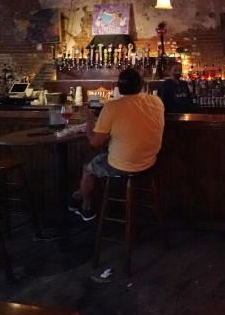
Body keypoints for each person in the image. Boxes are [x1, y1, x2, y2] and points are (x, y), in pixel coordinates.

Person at [70, 67, 165, 221]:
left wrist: (89, 119)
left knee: (87, 169)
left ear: (118, 88)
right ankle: (76, 199)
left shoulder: (112, 107)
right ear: (141, 84)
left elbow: (95, 142)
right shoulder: (156, 101)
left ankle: (85, 207)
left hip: (123, 165)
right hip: (149, 162)